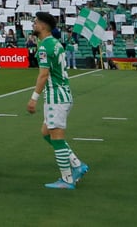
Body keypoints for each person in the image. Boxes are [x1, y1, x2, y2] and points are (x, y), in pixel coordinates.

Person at [27, 11, 89, 189]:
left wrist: (33, 99)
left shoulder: (45, 47)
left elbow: (43, 75)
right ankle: (77, 165)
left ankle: (67, 179)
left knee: (56, 136)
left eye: (36, 22)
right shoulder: (55, 44)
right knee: (46, 133)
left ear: (43, 26)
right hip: (63, 94)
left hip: (56, 97)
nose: (34, 25)